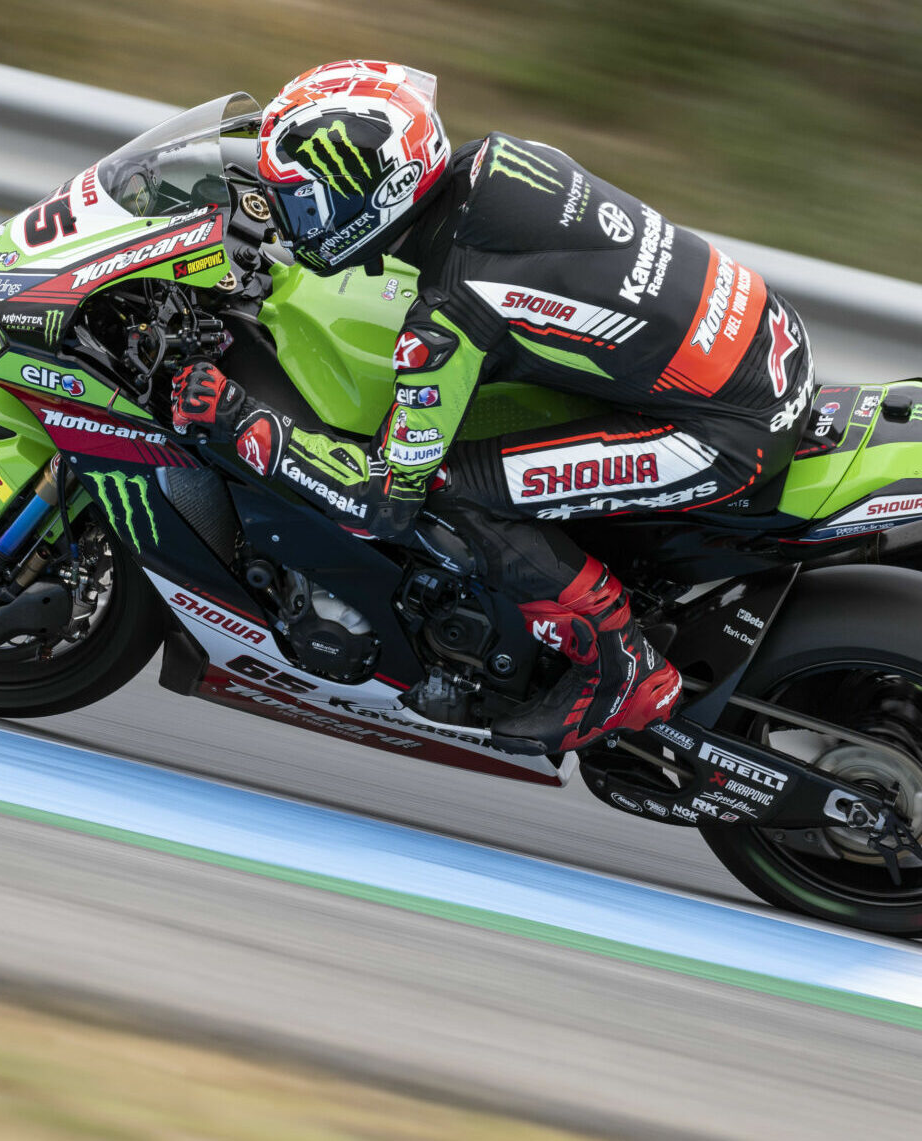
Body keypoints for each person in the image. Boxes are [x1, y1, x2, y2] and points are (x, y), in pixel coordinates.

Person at [169, 60, 815, 755]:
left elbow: (383, 500)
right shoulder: (497, 163)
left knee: (447, 491)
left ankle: (618, 668)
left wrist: (243, 422)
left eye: (305, 205)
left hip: (726, 429)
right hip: (762, 339)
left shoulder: (452, 313)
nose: (293, 223)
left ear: (380, 193)